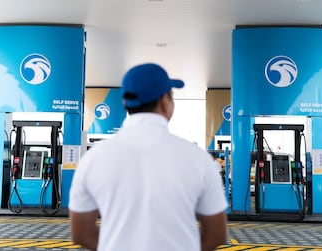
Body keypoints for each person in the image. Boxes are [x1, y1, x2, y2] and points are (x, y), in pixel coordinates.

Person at [68, 63, 228, 251]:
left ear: (126, 103)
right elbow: (216, 233)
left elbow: (81, 233)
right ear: (164, 101)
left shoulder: (93, 158)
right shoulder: (198, 159)